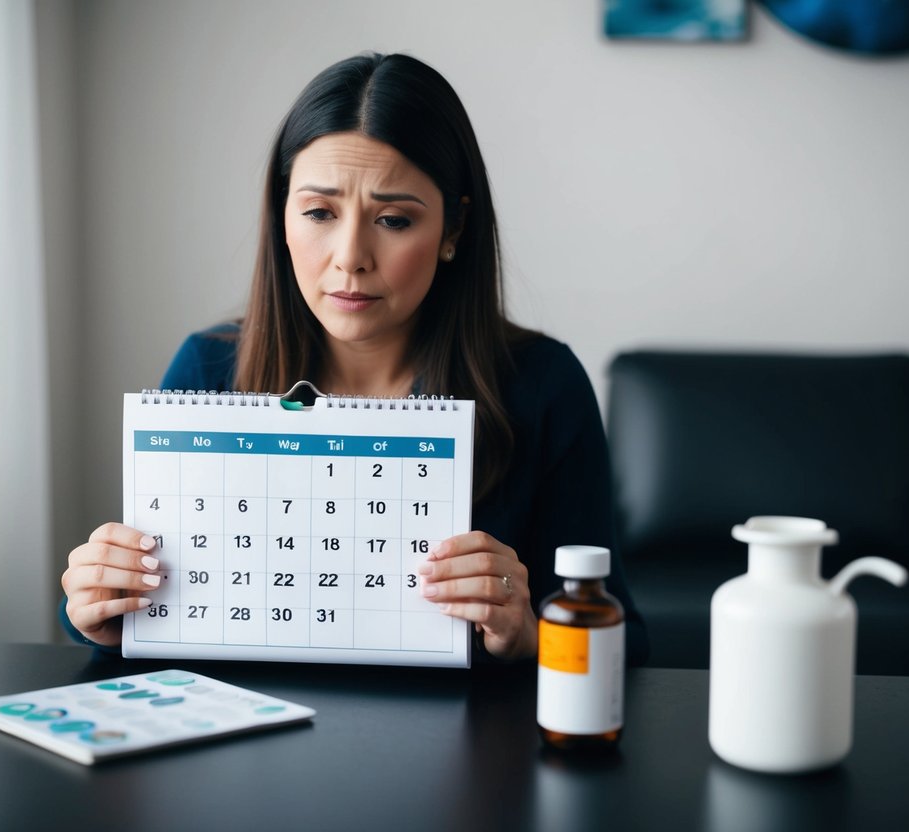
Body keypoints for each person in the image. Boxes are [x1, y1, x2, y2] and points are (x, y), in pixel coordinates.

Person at [60, 52, 648, 665]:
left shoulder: (542, 386)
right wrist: (96, 610)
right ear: (281, 217)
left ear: (453, 231)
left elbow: (627, 642)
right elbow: (136, 611)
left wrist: (527, 635)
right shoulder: (209, 370)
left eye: (393, 220)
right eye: (319, 212)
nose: (350, 256)